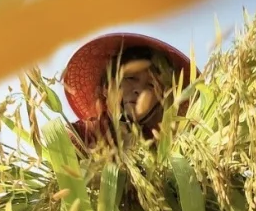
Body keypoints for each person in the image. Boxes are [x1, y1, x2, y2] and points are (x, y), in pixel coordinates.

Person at [61, 34, 192, 149]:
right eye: (130, 78)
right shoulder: (79, 136)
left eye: (151, 85)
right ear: (107, 87)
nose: (139, 90)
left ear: (161, 100)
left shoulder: (163, 150)